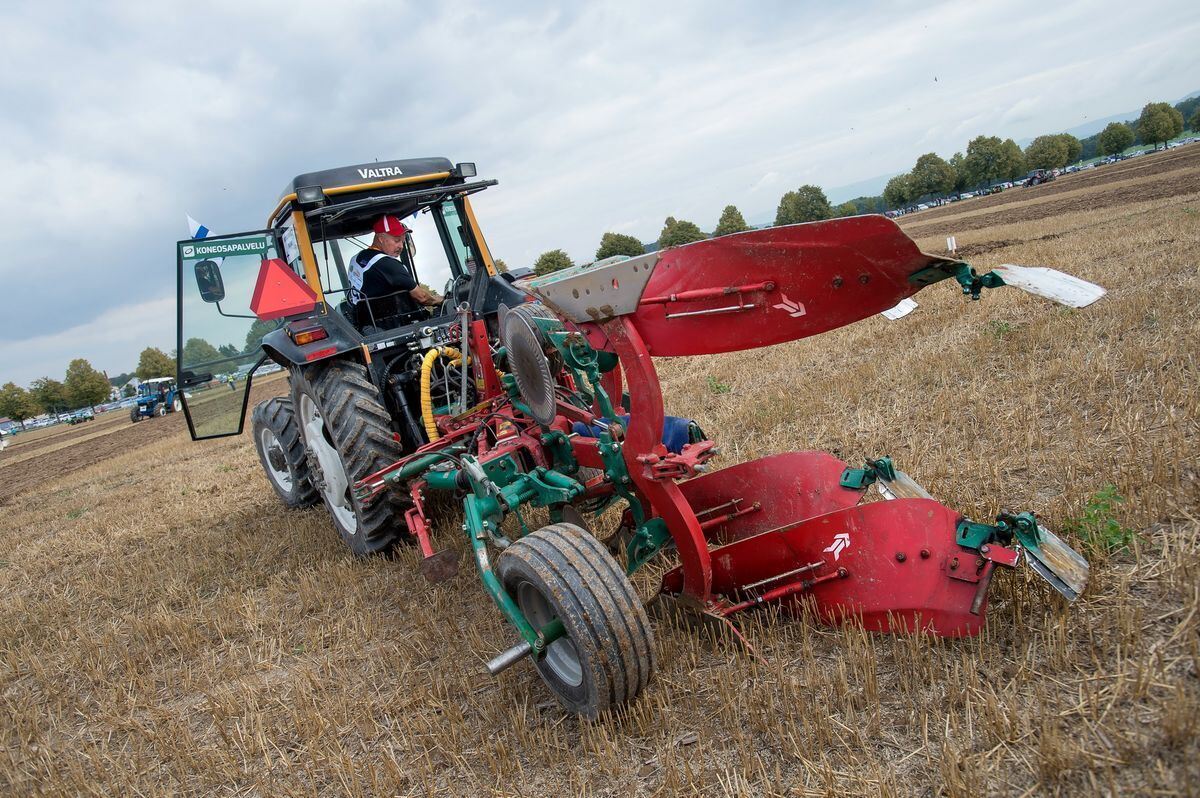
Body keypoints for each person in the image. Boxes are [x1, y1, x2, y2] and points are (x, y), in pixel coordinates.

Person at [349, 215, 441, 330]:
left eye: (403, 241)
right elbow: (422, 297)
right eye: (396, 240)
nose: (401, 246)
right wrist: (440, 300)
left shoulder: (357, 259)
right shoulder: (386, 263)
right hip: (390, 327)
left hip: (366, 327)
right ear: (381, 238)